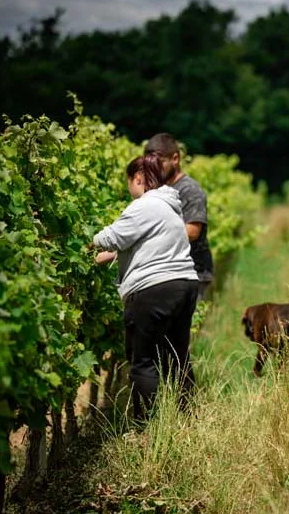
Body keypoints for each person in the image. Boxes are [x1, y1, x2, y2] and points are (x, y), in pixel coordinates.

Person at [92, 153, 199, 421]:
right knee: (176, 356)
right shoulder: (170, 206)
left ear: (137, 178)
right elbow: (153, 245)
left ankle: (147, 427)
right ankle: (186, 418)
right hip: (183, 285)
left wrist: (88, 241)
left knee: (142, 361)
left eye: (129, 182)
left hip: (154, 290)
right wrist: (116, 256)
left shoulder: (145, 205)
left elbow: (110, 236)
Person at [145, 133, 214, 301]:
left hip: (193, 274)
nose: (153, 168)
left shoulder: (190, 190)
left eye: (159, 162)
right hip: (170, 273)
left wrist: (149, 238)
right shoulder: (158, 189)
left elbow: (192, 231)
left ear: (175, 159)